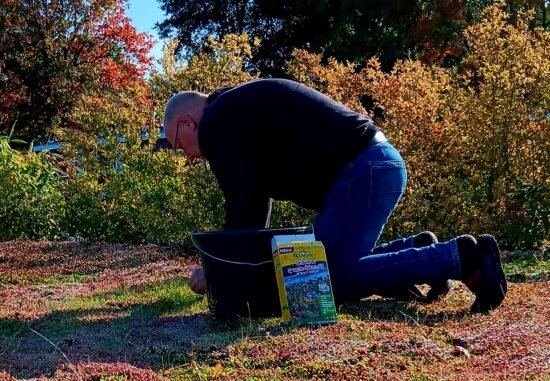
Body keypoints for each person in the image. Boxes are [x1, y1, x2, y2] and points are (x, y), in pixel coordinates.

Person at [163, 78, 507, 313]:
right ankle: (416, 253)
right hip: (373, 165)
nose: (190, 157)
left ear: (187, 124)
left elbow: (243, 200)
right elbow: (255, 199)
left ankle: (461, 258)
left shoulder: (217, 123)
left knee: (324, 280)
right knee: (307, 270)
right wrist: (235, 262)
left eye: (180, 147)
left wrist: (220, 272)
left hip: (363, 170)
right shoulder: (234, 109)